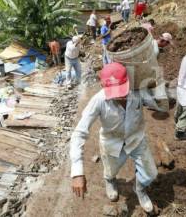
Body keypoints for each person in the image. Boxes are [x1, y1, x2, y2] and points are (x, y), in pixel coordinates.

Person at [70, 62, 167, 213]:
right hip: (112, 142)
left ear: (128, 82)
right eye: (115, 92)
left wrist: (157, 88)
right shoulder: (99, 100)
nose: (120, 95)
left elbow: (159, 104)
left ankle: (140, 190)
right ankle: (110, 181)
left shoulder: (138, 92)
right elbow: (79, 133)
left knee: (151, 174)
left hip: (136, 139)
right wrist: (77, 172)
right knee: (110, 171)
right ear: (104, 86)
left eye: (122, 90)